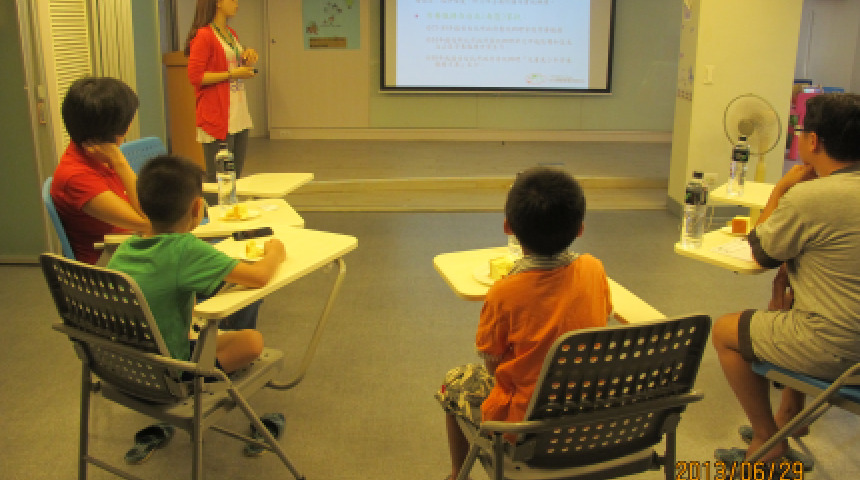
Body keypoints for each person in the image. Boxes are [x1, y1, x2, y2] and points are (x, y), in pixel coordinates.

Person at [435, 167, 613, 480]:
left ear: (508, 227)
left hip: (526, 428)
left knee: (455, 382)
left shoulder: (505, 292)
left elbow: (492, 364)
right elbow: (603, 318)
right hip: (590, 418)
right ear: (581, 229)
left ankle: (456, 475)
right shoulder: (594, 269)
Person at [107, 154, 286, 463]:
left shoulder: (125, 249)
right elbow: (258, 276)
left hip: (119, 368)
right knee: (251, 341)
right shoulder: (185, 249)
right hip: (167, 375)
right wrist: (275, 252)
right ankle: (204, 387)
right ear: (196, 208)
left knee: (205, 327)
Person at [712, 93, 860, 466]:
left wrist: (781, 189)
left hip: (842, 350)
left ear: (814, 141)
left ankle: (767, 441)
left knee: (726, 332)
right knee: (787, 302)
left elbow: (762, 252)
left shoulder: (811, 197)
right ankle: (790, 417)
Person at [50, 76, 150, 265]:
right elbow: (151, 221)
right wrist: (119, 161)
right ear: (122, 126)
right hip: (110, 266)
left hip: (128, 250)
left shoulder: (93, 155)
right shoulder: (77, 177)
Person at [184, 0, 258, 182]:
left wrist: (246, 58)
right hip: (217, 115)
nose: (236, 3)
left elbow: (230, 64)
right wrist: (232, 74)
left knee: (235, 177)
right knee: (219, 179)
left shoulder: (230, 33)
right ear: (217, 3)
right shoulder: (204, 35)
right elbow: (196, 77)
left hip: (238, 114)